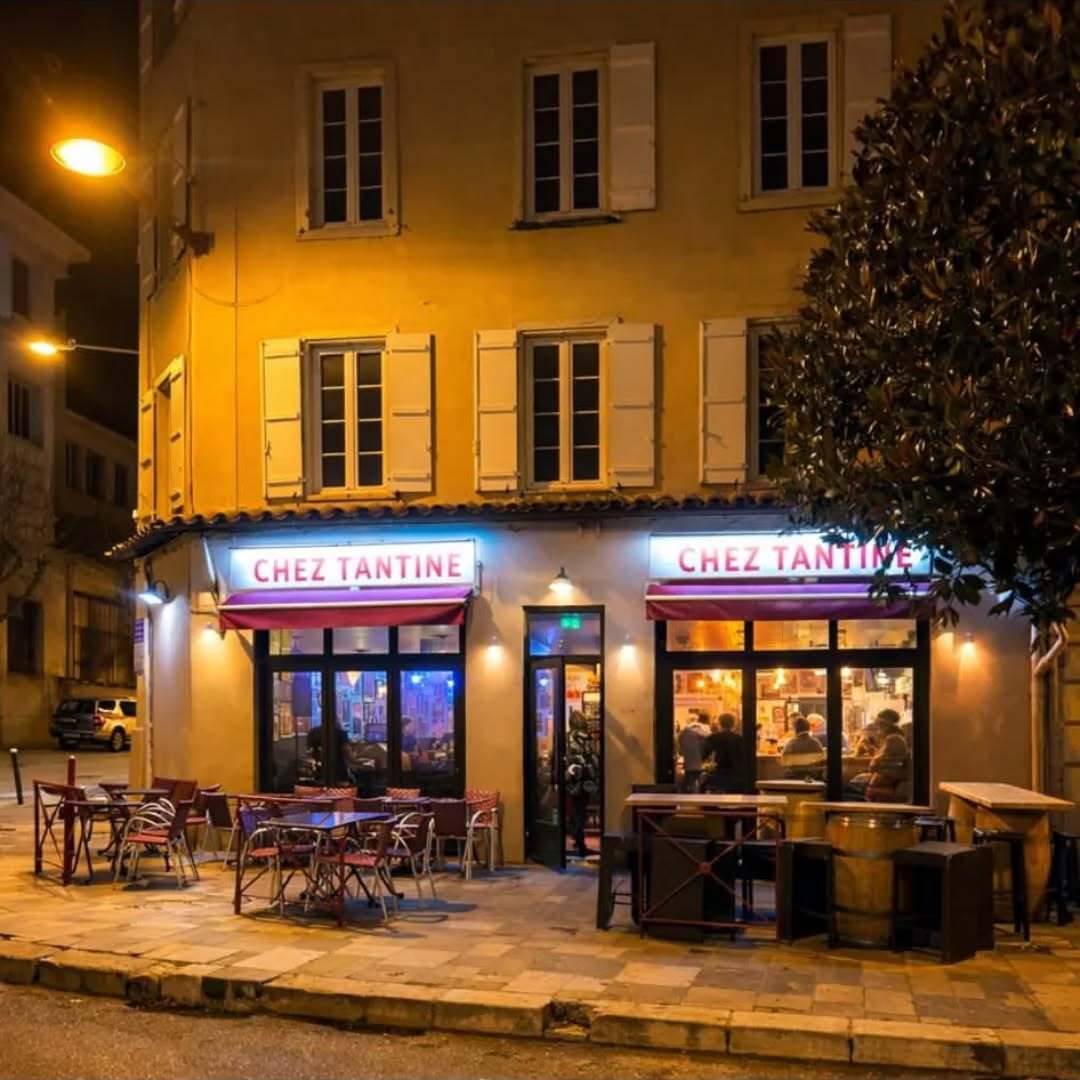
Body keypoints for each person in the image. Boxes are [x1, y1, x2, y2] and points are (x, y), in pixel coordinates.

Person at [565, 711, 600, 858]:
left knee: (574, 809)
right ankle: (580, 843)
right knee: (580, 810)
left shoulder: (566, 737)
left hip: (571, 778)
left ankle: (576, 838)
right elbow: (594, 757)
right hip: (585, 779)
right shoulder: (587, 737)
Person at [702, 712, 744, 792]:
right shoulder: (739, 739)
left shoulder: (713, 738)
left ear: (719, 723)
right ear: (734, 724)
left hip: (720, 774)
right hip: (736, 775)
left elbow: (705, 755)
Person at [677, 713, 710, 792]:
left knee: (689, 782)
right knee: (693, 781)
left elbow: (681, 748)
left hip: (690, 762)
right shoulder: (705, 731)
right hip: (701, 762)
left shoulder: (684, 732)